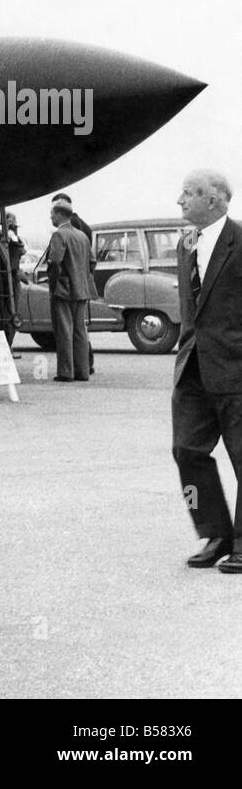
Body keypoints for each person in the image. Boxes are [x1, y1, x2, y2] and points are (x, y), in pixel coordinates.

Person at [170, 169, 242, 572]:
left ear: (213, 199)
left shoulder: (240, 240)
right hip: (194, 365)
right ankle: (216, 533)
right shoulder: (185, 244)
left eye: (188, 194)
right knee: (187, 450)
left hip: (236, 365)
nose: (180, 201)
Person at [45, 199, 97, 381]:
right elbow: (92, 262)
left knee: (64, 331)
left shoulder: (59, 235)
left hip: (64, 291)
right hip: (82, 290)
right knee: (80, 331)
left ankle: (66, 372)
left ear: (59, 215)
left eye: (52, 215)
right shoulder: (82, 236)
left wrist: (54, 284)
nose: (51, 218)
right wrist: (81, 278)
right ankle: (82, 372)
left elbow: (54, 263)